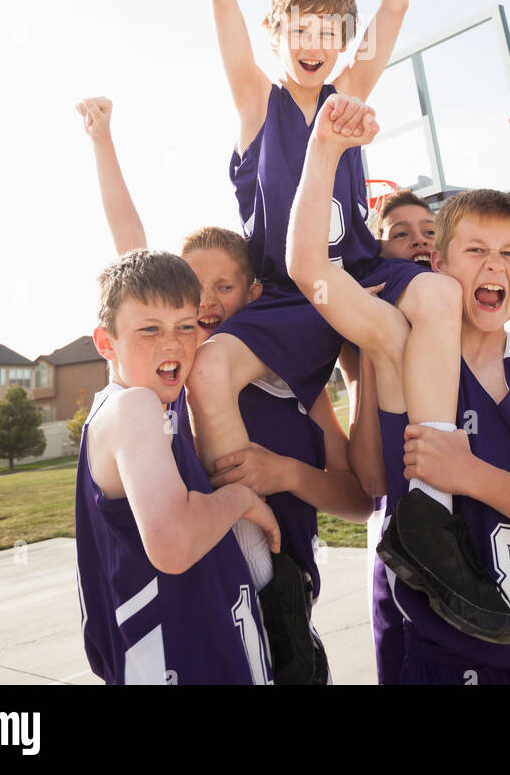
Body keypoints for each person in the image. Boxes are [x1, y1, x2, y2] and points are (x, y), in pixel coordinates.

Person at [189, 0, 510, 641]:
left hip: (357, 272)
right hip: (290, 294)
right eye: (300, 30)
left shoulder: (350, 96)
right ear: (277, 34)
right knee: (212, 371)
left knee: (435, 294)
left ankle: (427, 522)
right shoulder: (258, 101)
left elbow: (396, 4)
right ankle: (268, 577)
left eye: (330, 35)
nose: (317, 43)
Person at [286, 94, 510, 684]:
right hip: (454, 661)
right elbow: (309, 267)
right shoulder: (399, 344)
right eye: (477, 252)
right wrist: (327, 149)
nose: (497, 266)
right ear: (437, 262)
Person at [76, 96, 373, 682]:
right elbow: (131, 256)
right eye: (193, 291)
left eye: (223, 287)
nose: (206, 302)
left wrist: (283, 475)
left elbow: (361, 502)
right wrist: (103, 143)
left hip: (278, 610)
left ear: (255, 294)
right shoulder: (164, 389)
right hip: (199, 625)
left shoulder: (295, 387)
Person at [74, 247, 275, 685]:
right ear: (107, 343)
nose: (171, 343)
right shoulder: (133, 406)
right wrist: (240, 498)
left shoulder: (152, 407)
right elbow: (174, 545)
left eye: (186, 327)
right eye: (149, 329)